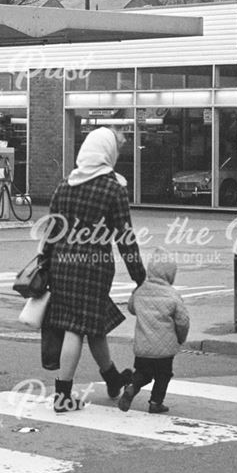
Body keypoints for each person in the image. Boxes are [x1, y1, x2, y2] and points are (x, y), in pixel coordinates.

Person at [41, 126, 146, 412]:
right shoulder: (112, 189)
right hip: (93, 269)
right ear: (107, 153)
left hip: (62, 266)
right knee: (77, 328)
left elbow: (51, 231)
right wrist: (140, 277)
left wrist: (45, 264)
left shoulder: (65, 185)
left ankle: (112, 379)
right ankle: (62, 394)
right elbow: (126, 238)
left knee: (92, 324)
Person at [117, 249, 190, 414]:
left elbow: (131, 308)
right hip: (164, 351)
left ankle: (132, 387)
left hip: (143, 348)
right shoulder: (173, 295)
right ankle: (156, 402)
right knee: (163, 376)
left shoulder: (141, 291)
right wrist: (180, 338)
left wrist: (135, 293)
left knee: (143, 373)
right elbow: (182, 321)